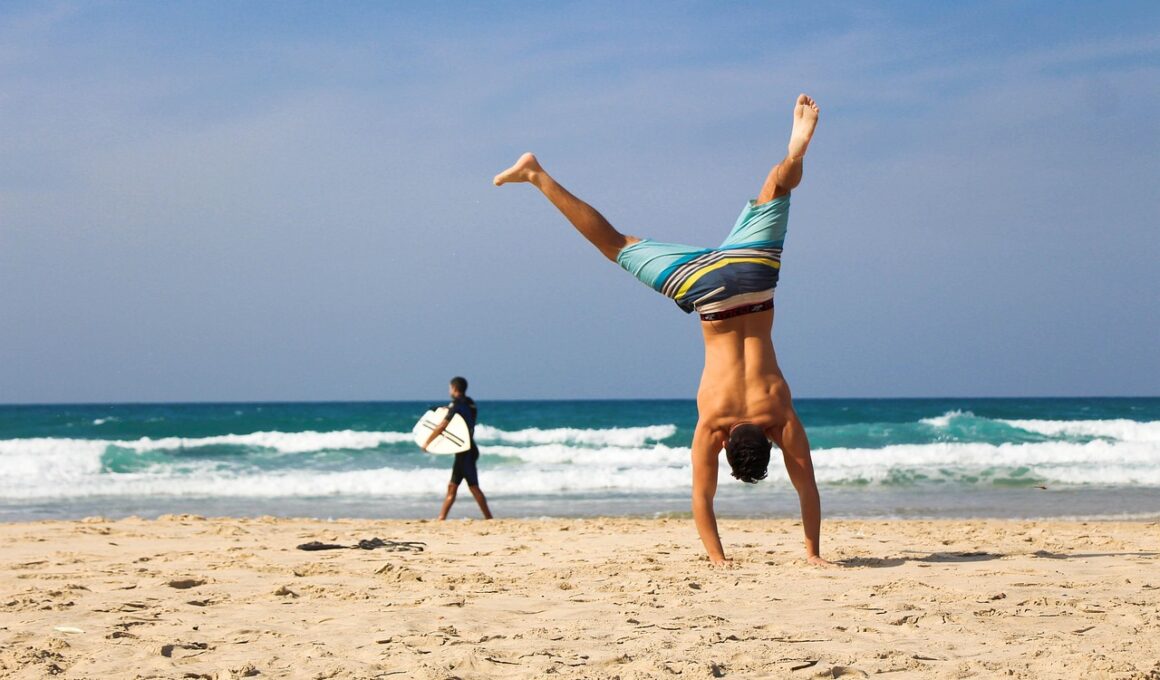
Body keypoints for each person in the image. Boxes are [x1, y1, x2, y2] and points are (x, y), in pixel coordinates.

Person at [494, 94, 830, 566]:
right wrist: (718, 559)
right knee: (616, 244)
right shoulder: (714, 424)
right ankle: (536, 175)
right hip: (707, 294)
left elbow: (808, 489)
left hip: (753, 276)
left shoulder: (779, 415)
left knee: (776, 187)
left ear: (768, 441)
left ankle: (793, 155)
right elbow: (703, 498)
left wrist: (815, 552)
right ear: (725, 446)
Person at [422, 376, 493, 520]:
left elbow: (443, 426)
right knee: (453, 486)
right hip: (468, 449)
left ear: (454, 388)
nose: (449, 390)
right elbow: (463, 417)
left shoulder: (456, 405)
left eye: (450, 388)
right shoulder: (470, 403)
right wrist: (446, 409)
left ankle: (489, 518)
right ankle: (441, 518)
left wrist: (427, 443)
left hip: (465, 452)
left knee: (473, 487)